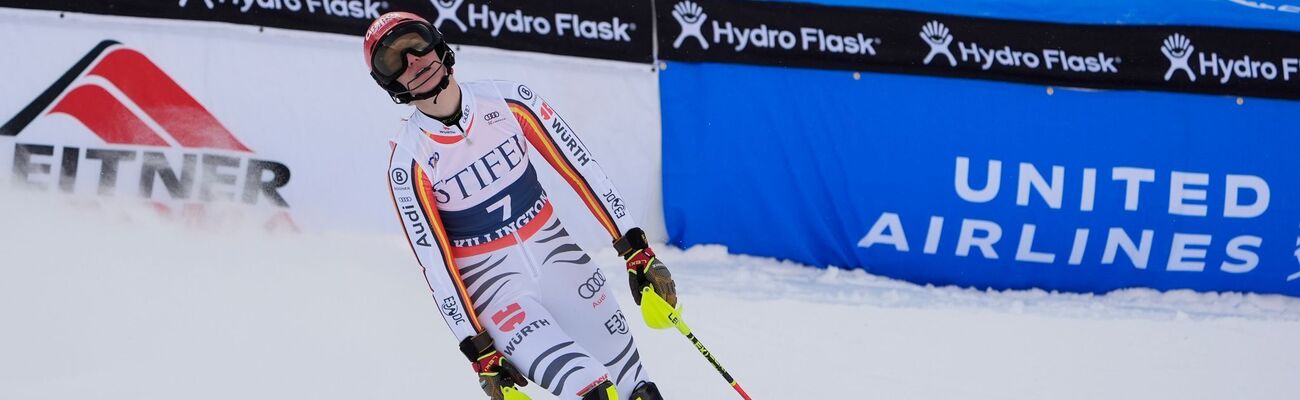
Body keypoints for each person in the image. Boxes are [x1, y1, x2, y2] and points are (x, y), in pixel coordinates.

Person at [363, 12, 677, 400]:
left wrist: (636, 250)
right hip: (499, 298)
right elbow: (436, 264)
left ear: (439, 46)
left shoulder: (510, 100)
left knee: (639, 392)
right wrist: (476, 348)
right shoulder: (409, 160)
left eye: (415, 44)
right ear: (391, 84)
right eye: (394, 61)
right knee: (595, 392)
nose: (413, 62)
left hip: (565, 267)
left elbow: (582, 170)